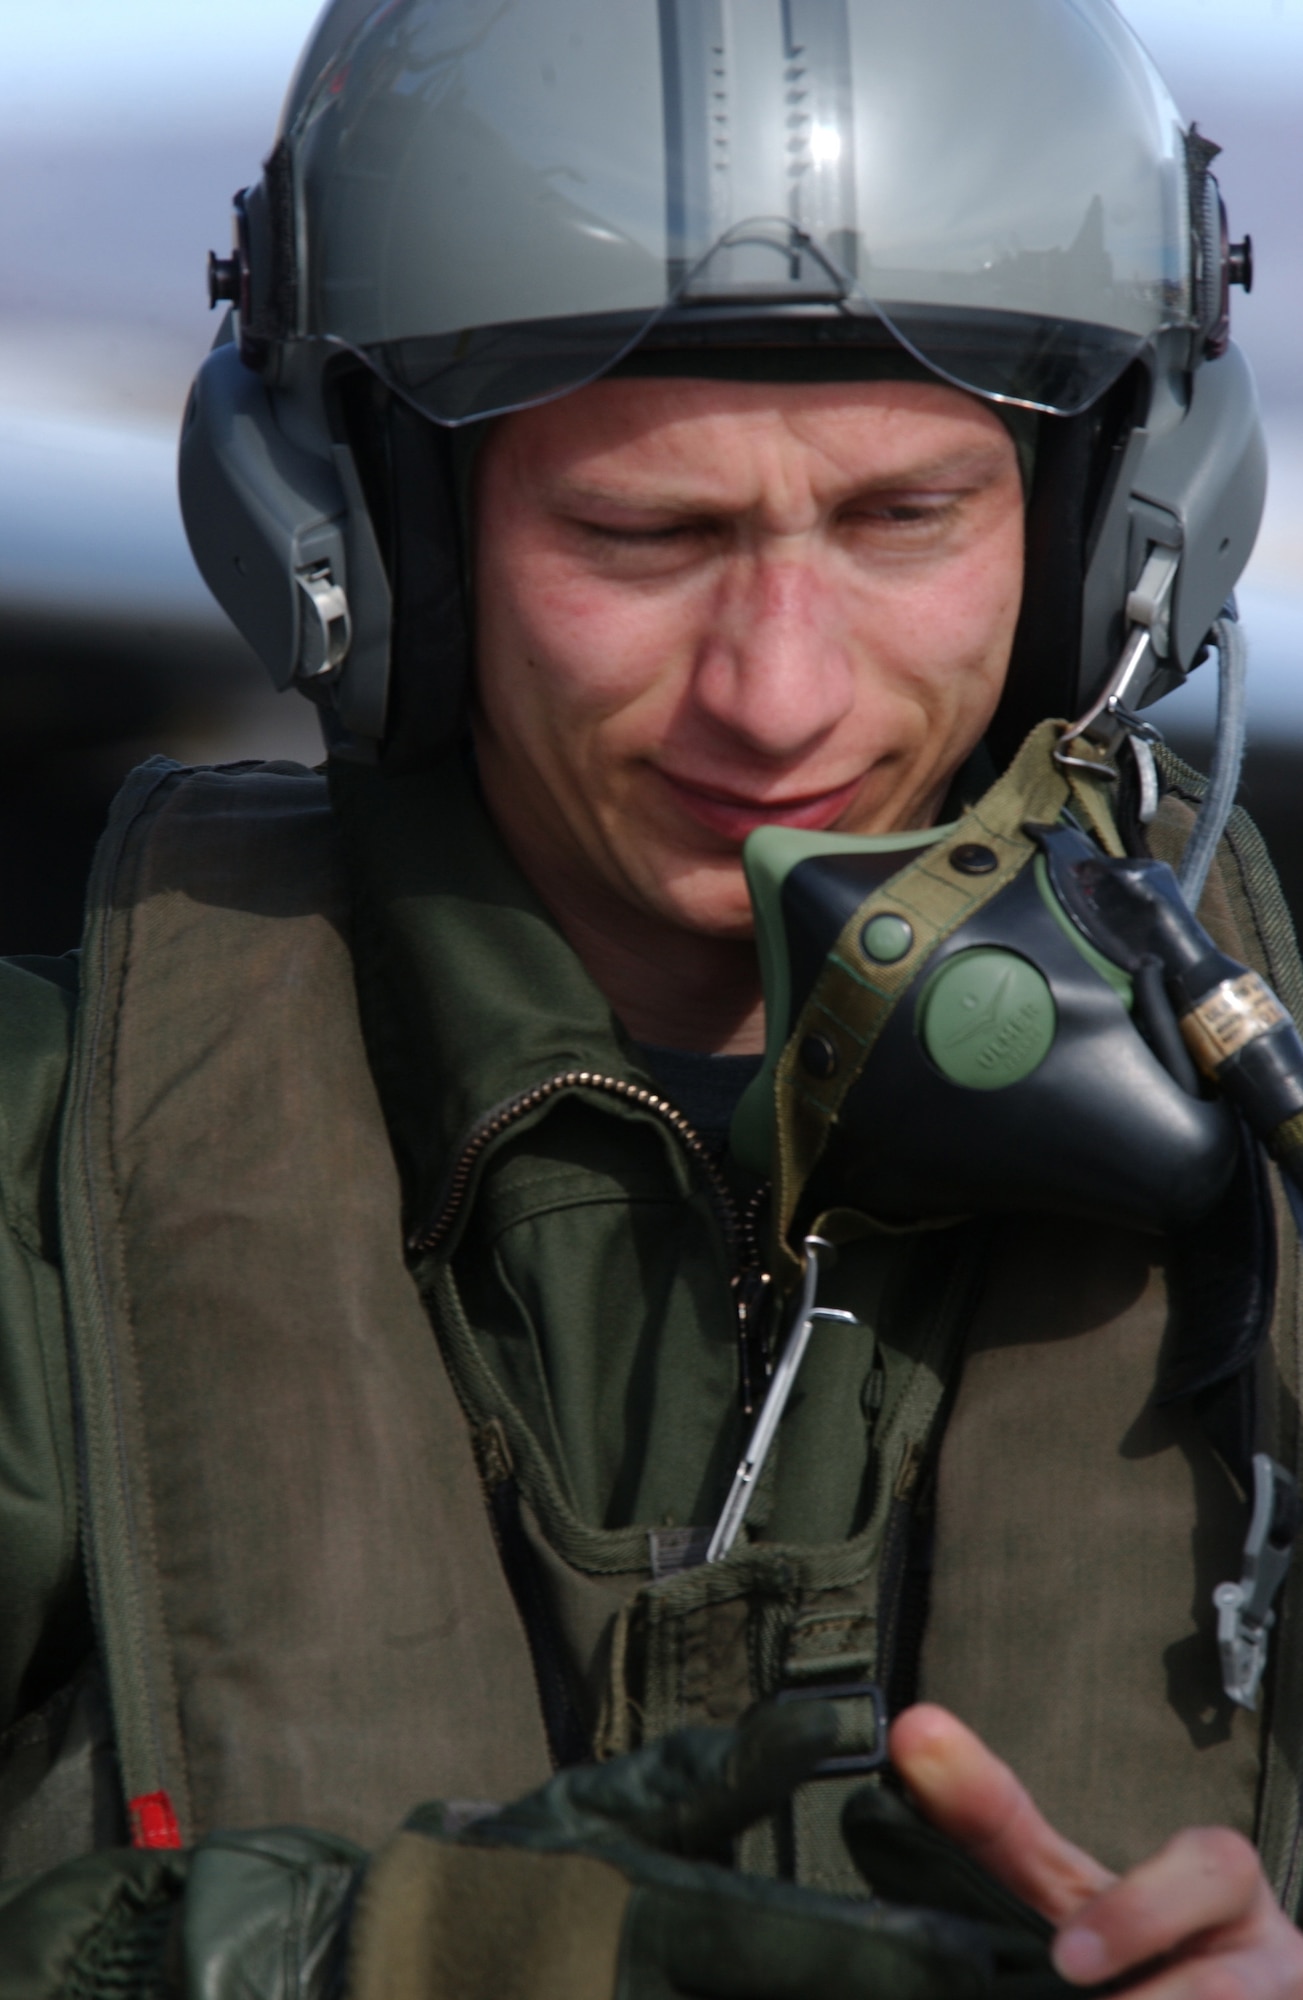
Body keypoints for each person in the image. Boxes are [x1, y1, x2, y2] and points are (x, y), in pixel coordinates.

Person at [2, 1, 1301, 1994]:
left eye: (902, 518)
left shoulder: (1278, 1150)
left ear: (1115, 540)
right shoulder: (38, 1180)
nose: (777, 695)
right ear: (360, 547)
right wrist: (333, 1962)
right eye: (642, 534)